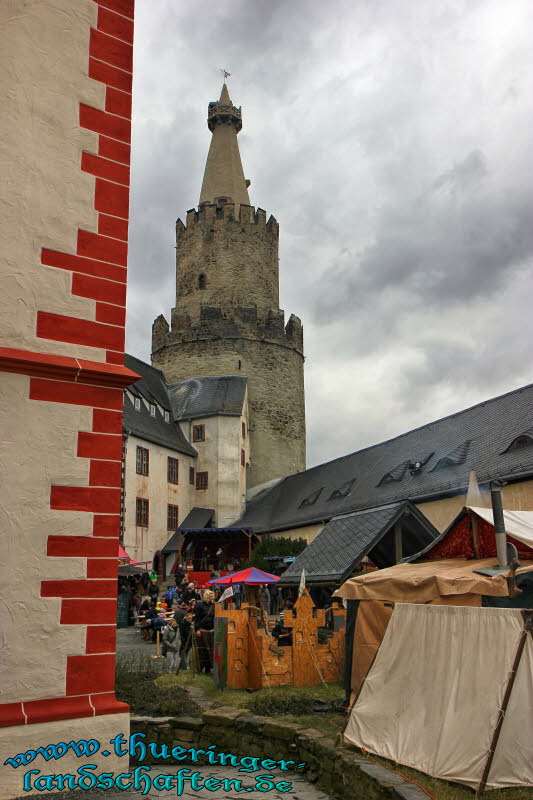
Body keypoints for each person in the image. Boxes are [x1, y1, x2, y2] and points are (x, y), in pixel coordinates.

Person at [194, 589, 215, 674]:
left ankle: (208, 668)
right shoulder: (200, 606)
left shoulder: (213, 606)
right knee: (203, 651)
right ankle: (201, 668)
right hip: (203, 631)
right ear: (207, 596)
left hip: (211, 631)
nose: (213, 598)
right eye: (211, 596)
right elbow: (197, 619)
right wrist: (197, 629)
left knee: (211, 650)